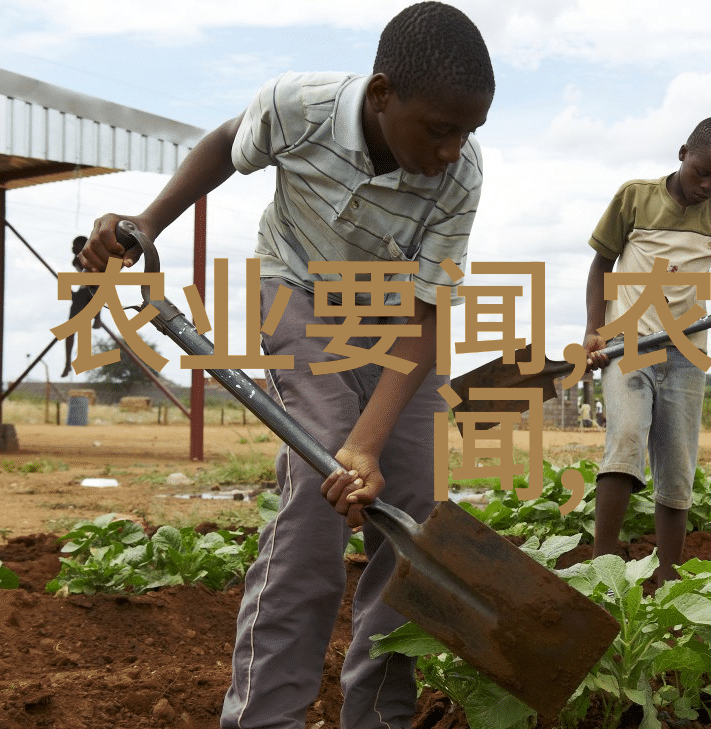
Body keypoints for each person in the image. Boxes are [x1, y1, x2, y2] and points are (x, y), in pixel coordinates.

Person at [80, 4, 494, 728]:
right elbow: (224, 144)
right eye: (440, 129)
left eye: (468, 132)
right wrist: (147, 223)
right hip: (300, 294)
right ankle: (266, 714)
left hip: (400, 318)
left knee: (412, 511)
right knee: (319, 480)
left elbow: (429, 313)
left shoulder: (460, 174)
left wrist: (373, 441)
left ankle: (378, 715)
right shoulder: (297, 105)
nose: (453, 149)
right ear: (381, 95)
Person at [583, 117, 711, 587]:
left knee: (678, 466)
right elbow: (601, 263)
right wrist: (593, 331)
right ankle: (603, 572)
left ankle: (670, 582)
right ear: (682, 153)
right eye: (701, 172)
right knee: (625, 440)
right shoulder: (635, 198)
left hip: (686, 355)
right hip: (627, 345)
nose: (707, 185)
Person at [60, 236, 102, 378]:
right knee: (69, 331)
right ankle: (67, 363)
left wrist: (97, 317)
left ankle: (97, 319)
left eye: (75, 246)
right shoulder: (76, 260)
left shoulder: (93, 257)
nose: (73, 249)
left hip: (91, 291)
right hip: (84, 292)